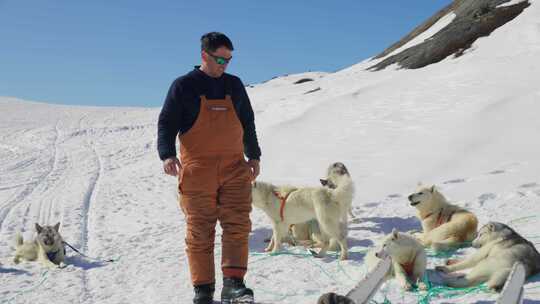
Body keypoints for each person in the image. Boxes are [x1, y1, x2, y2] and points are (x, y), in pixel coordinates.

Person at [157, 32, 261, 304]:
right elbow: (167, 122)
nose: (225, 64)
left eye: (229, 59)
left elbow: (247, 121)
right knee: (200, 231)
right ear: (204, 55)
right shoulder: (184, 86)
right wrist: (167, 154)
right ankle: (203, 292)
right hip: (197, 169)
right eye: (220, 59)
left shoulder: (234, 85)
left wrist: (254, 156)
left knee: (238, 224)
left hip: (235, 166)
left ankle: (234, 285)